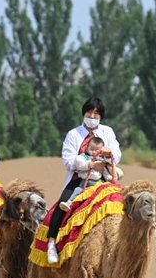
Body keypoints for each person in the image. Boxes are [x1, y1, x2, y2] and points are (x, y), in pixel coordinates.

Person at [46, 97, 122, 264]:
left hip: (104, 178)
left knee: (123, 204)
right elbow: (68, 160)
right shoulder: (73, 134)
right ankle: (51, 242)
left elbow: (117, 153)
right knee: (62, 204)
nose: (93, 116)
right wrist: (89, 165)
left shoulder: (107, 132)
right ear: (84, 113)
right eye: (90, 112)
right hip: (79, 178)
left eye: (96, 113)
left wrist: (110, 155)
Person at [57, 137, 115, 212]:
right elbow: (78, 163)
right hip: (86, 182)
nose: (94, 152)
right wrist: (88, 165)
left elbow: (110, 163)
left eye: (97, 150)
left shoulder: (101, 160)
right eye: (92, 149)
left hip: (99, 182)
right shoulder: (83, 157)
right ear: (87, 148)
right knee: (78, 190)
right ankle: (70, 202)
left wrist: (108, 155)